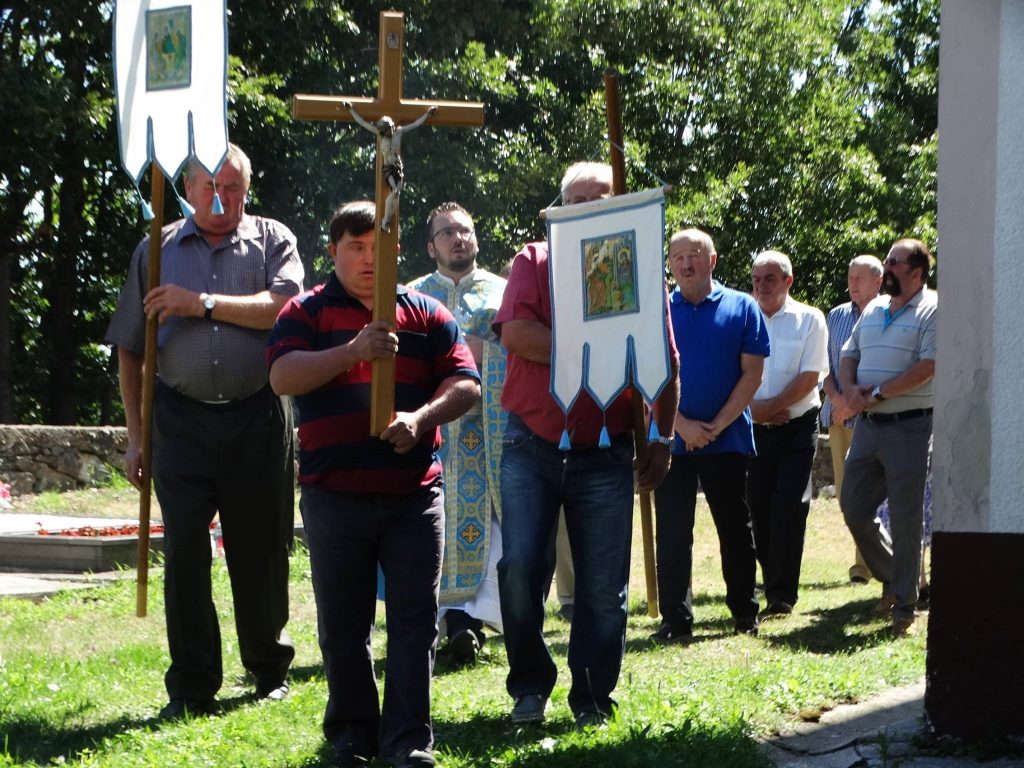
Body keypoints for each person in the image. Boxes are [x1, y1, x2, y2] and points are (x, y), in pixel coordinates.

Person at [266, 201, 479, 768]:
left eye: (377, 248)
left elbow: (467, 383)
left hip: (414, 496)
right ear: (332, 251)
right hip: (332, 493)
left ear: (395, 252)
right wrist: (353, 351)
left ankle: (408, 740)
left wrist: (421, 419)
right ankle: (352, 735)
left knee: (415, 622)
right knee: (343, 624)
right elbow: (282, 375)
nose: (367, 259)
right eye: (354, 248)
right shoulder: (306, 311)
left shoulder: (427, 314)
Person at [105, 143, 303, 719]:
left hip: (257, 413)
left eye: (232, 186)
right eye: (209, 186)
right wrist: (137, 436)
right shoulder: (156, 249)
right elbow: (130, 346)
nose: (221, 198)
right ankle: (192, 683)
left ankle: (267, 668)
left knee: (261, 546)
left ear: (248, 188)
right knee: (185, 550)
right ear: (187, 189)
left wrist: (203, 304)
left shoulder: (273, 240)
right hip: (180, 418)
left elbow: (284, 309)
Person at [493, 161, 680, 728]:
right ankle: (530, 686)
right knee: (520, 567)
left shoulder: (638, 269)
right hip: (532, 444)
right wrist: (595, 348)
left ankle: (593, 697)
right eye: (579, 201)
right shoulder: (534, 260)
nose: (591, 209)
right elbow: (517, 333)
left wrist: (662, 437)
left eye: (603, 199)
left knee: (602, 585)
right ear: (560, 208)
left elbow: (662, 359)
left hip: (606, 450)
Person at [651, 229, 768, 642]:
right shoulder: (657, 312)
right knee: (673, 532)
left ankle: (744, 612)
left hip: (727, 438)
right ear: (670, 264)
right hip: (670, 439)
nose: (686, 264)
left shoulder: (743, 306)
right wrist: (680, 425)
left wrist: (717, 425)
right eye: (678, 257)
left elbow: (752, 374)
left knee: (734, 528)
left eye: (695, 255)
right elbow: (645, 375)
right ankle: (676, 620)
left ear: (712, 260)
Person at [408, 201, 507, 665]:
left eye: (464, 230)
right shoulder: (413, 297)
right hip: (433, 435)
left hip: (488, 436)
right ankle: (446, 622)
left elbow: (520, 349)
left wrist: (489, 351)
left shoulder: (504, 293)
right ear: (431, 247)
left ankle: (472, 621)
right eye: (446, 233)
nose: (457, 238)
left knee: (490, 528)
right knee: (434, 528)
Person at [839, 238, 937, 637]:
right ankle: (900, 579)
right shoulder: (874, 308)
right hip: (868, 427)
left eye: (895, 262)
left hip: (909, 427)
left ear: (917, 272)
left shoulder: (933, 308)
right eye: (888, 260)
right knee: (854, 507)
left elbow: (929, 366)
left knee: (905, 517)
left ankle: (905, 607)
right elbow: (849, 354)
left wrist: (878, 393)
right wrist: (850, 389)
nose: (888, 266)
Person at [747, 251, 829, 618]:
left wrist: (772, 406)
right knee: (758, 506)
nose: (761, 286)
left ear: (788, 281)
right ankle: (771, 582)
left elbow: (810, 377)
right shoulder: (743, 318)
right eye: (756, 279)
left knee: (790, 506)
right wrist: (756, 412)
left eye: (769, 278)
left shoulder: (809, 319)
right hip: (752, 427)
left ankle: (782, 595)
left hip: (797, 426)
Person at [820, 255, 884, 584]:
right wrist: (837, 400)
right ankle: (865, 564)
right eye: (850, 276)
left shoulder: (888, 315)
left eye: (860, 277)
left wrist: (855, 405)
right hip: (838, 418)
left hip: (875, 419)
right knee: (847, 495)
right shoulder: (836, 316)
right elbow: (824, 366)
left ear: (879, 281)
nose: (852, 282)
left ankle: (866, 566)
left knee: (872, 495)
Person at [342, 101, 437, 233]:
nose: (389, 131)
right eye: (386, 130)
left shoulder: (399, 131)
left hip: (398, 167)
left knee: (397, 194)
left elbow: (415, 124)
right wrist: (351, 110)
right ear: (383, 131)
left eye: (390, 128)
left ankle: (386, 221)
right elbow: (363, 123)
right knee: (394, 192)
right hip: (388, 168)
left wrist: (427, 114)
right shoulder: (380, 136)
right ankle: (385, 221)